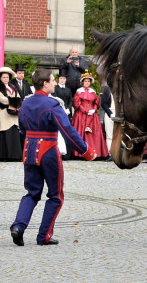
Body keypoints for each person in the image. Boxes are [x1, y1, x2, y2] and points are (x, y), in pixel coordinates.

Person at [10, 70, 96, 246]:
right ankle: (44, 236)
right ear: (44, 84)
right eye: (52, 80)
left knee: (32, 193)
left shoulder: (26, 103)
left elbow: (22, 127)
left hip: (29, 148)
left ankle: (18, 227)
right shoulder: (52, 104)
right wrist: (85, 150)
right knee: (56, 195)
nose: (55, 83)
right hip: (48, 149)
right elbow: (67, 130)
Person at [71, 73, 108, 158]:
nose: (87, 83)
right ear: (82, 82)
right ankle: (80, 153)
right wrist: (86, 110)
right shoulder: (79, 92)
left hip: (92, 115)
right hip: (81, 115)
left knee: (93, 133)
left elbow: (96, 102)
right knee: (81, 132)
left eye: (88, 81)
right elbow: (76, 104)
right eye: (85, 81)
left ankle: (95, 152)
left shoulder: (93, 92)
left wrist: (94, 109)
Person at [0, 67, 22, 161]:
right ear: (0, 78)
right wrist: (15, 101)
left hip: (13, 113)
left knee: (14, 133)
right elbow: (2, 100)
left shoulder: (13, 86)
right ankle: (4, 156)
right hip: (3, 113)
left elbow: (19, 97)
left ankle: (15, 156)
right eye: (4, 77)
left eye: (7, 77)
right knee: (5, 133)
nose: (5, 79)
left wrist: (15, 101)